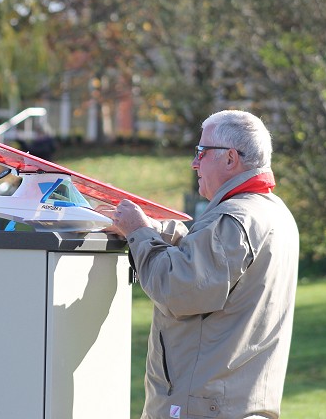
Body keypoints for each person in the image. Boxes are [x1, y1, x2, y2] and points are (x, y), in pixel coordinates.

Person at [108, 110, 299, 419]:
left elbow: (178, 289)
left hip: (202, 407)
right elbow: (211, 262)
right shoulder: (272, 211)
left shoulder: (233, 218)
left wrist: (138, 234)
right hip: (235, 403)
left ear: (230, 159)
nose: (194, 162)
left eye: (201, 152)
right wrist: (157, 230)